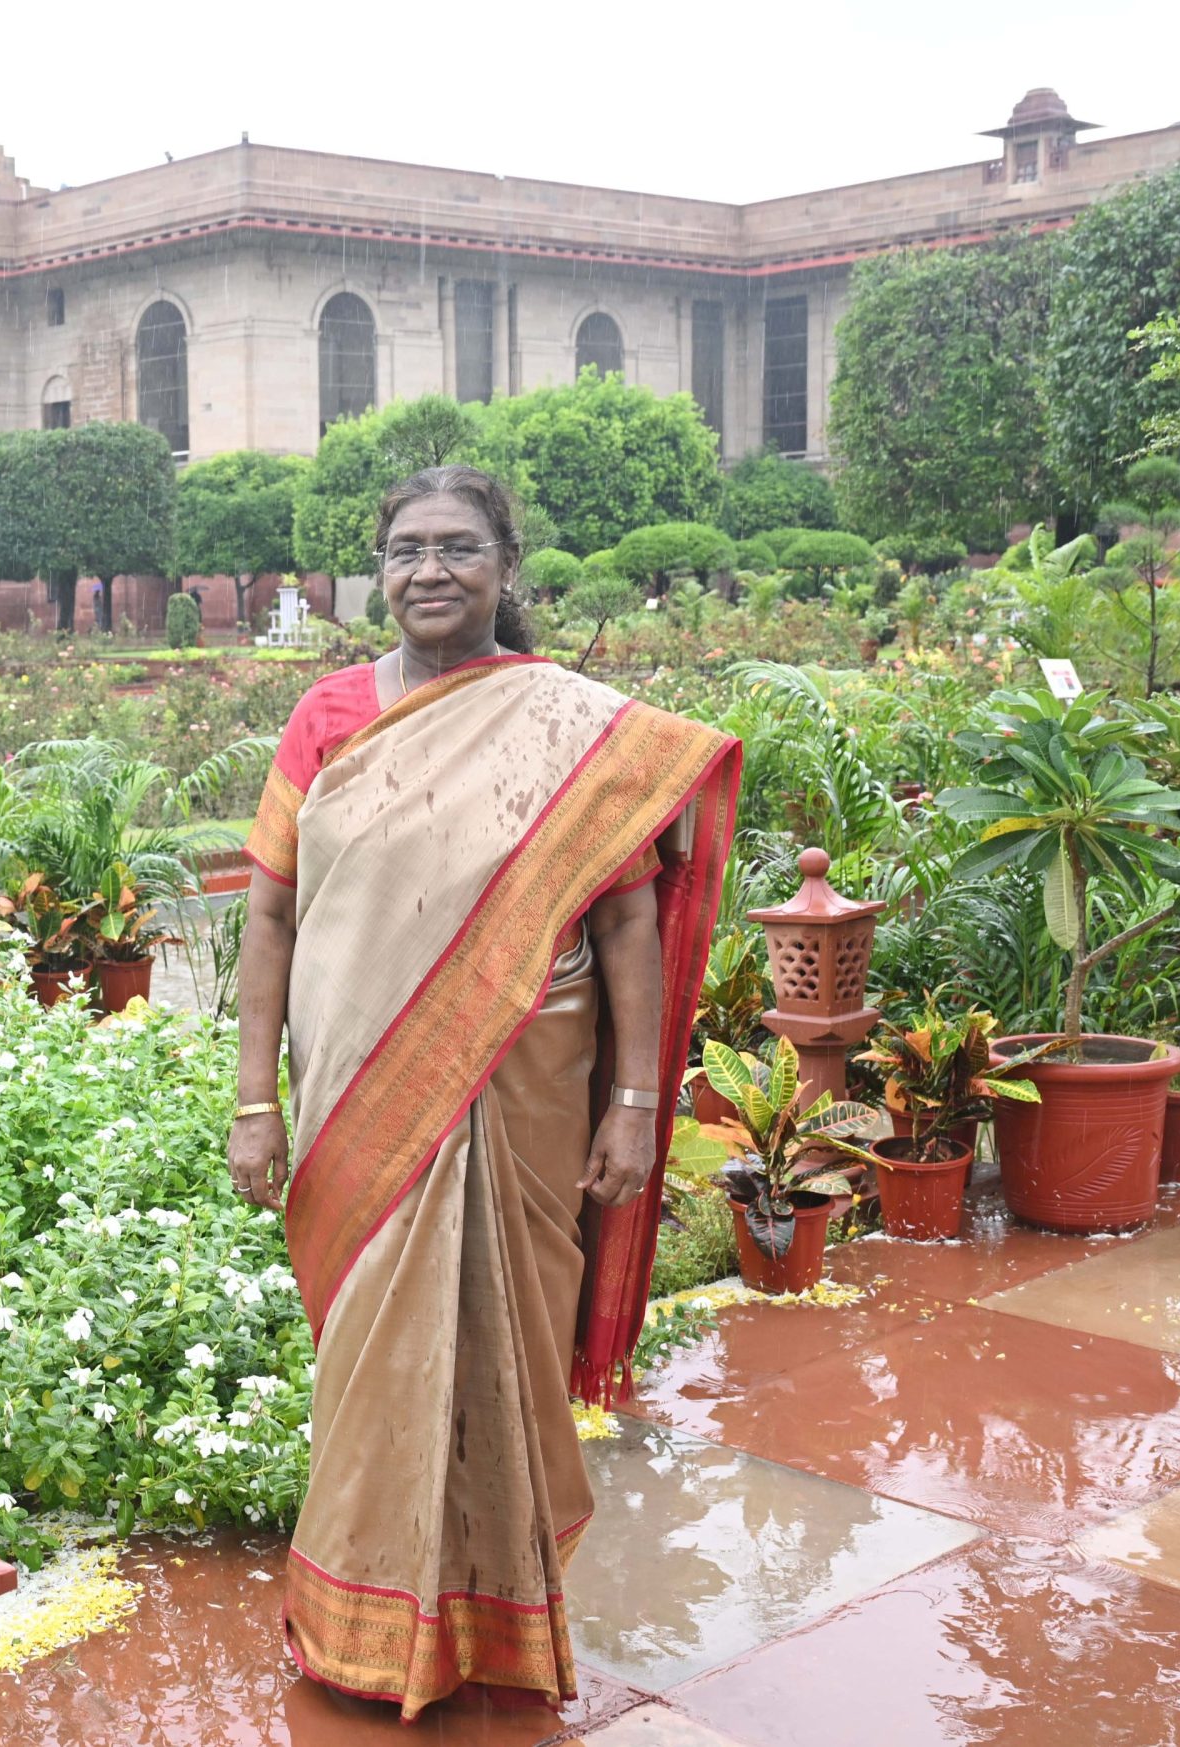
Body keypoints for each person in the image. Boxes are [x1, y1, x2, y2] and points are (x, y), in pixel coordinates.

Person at [228, 466, 739, 1719]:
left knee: (509, 1339)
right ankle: (360, 1626)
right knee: (373, 1354)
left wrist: (634, 1104)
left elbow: (627, 922)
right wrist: (254, 1102)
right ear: (378, 571)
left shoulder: (570, 725)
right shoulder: (328, 715)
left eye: (457, 547)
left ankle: (501, 1623)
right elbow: (271, 914)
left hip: (528, 1078)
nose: (429, 571)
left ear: (507, 566)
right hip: (360, 1083)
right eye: (405, 549)